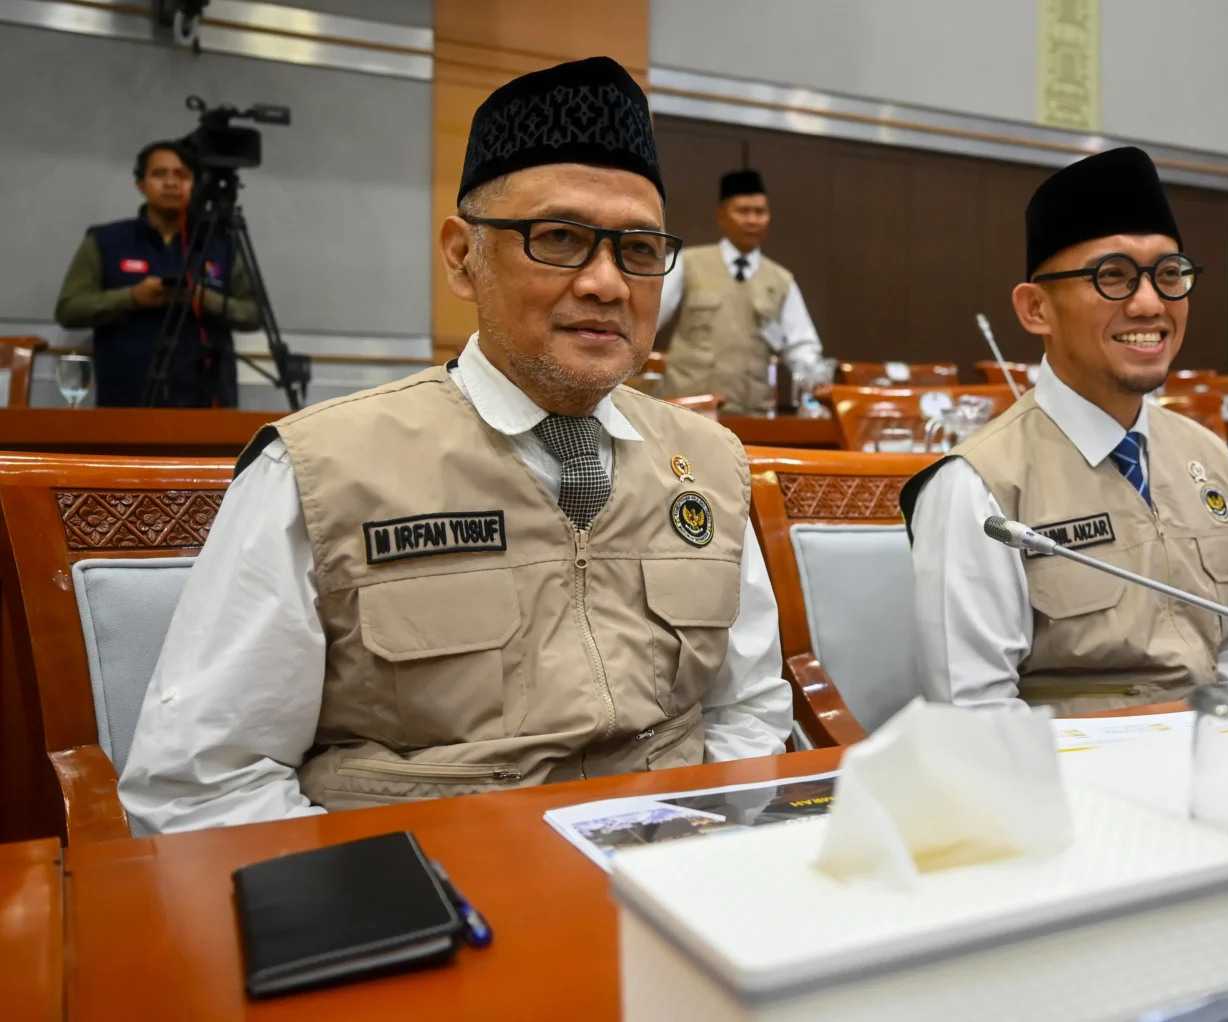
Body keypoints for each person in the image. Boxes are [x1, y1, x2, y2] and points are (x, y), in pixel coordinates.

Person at [119, 57, 791, 833]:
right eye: (561, 238)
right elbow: (203, 784)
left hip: (669, 888)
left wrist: (711, 847)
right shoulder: (323, 474)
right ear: (462, 256)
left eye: (638, 250)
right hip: (435, 907)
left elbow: (748, 708)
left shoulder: (707, 464)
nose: (608, 283)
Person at [900, 147, 1228, 715]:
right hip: (1071, 786)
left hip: (1218, 769)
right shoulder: (982, 486)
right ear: (1036, 310)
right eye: (1114, 277)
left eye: (1169, 274)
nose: (1151, 304)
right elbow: (975, 718)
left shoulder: (1207, 455)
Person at [54, 140, 258, 407]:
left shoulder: (221, 243)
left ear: (195, 185)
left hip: (207, 401)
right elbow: (69, 309)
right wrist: (132, 298)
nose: (171, 183)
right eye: (159, 174)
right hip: (126, 399)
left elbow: (254, 313)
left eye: (181, 175)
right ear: (141, 184)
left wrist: (201, 299)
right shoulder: (106, 240)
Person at [655, 169, 822, 413]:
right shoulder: (687, 262)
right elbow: (648, 317)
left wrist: (814, 390)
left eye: (760, 212)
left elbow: (802, 348)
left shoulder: (781, 281)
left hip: (752, 416)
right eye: (743, 211)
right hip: (689, 412)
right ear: (721, 216)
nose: (753, 220)